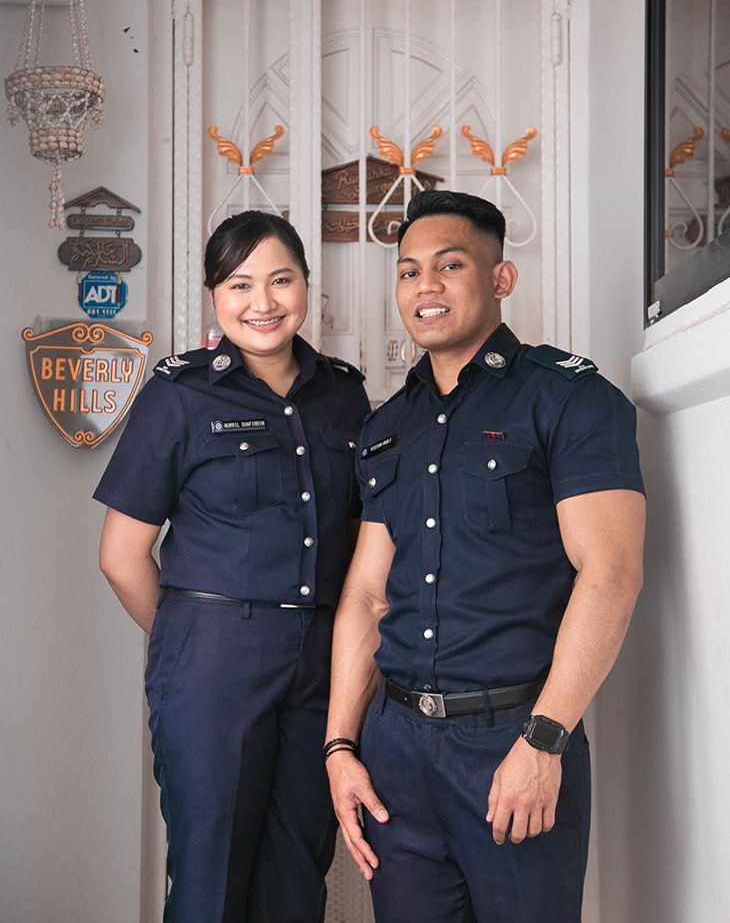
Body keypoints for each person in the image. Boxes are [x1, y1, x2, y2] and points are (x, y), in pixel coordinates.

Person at [324, 190, 645, 923]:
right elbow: (368, 596)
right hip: (395, 752)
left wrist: (546, 738)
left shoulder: (570, 401)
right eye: (408, 272)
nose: (424, 287)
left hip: (514, 739)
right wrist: (341, 743)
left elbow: (612, 571)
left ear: (501, 279)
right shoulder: (385, 426)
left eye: (449, 264)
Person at [94, 211, 371, 923]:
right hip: (213, 655)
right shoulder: (180, 395)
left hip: (321, 658)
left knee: (298, 872)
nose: (264, 301)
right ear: (215, 295)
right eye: (241, 283)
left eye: (281, 279)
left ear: (307, 285)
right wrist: (188, 636)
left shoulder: (345, 394)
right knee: (211, 870)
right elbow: (122, 555)